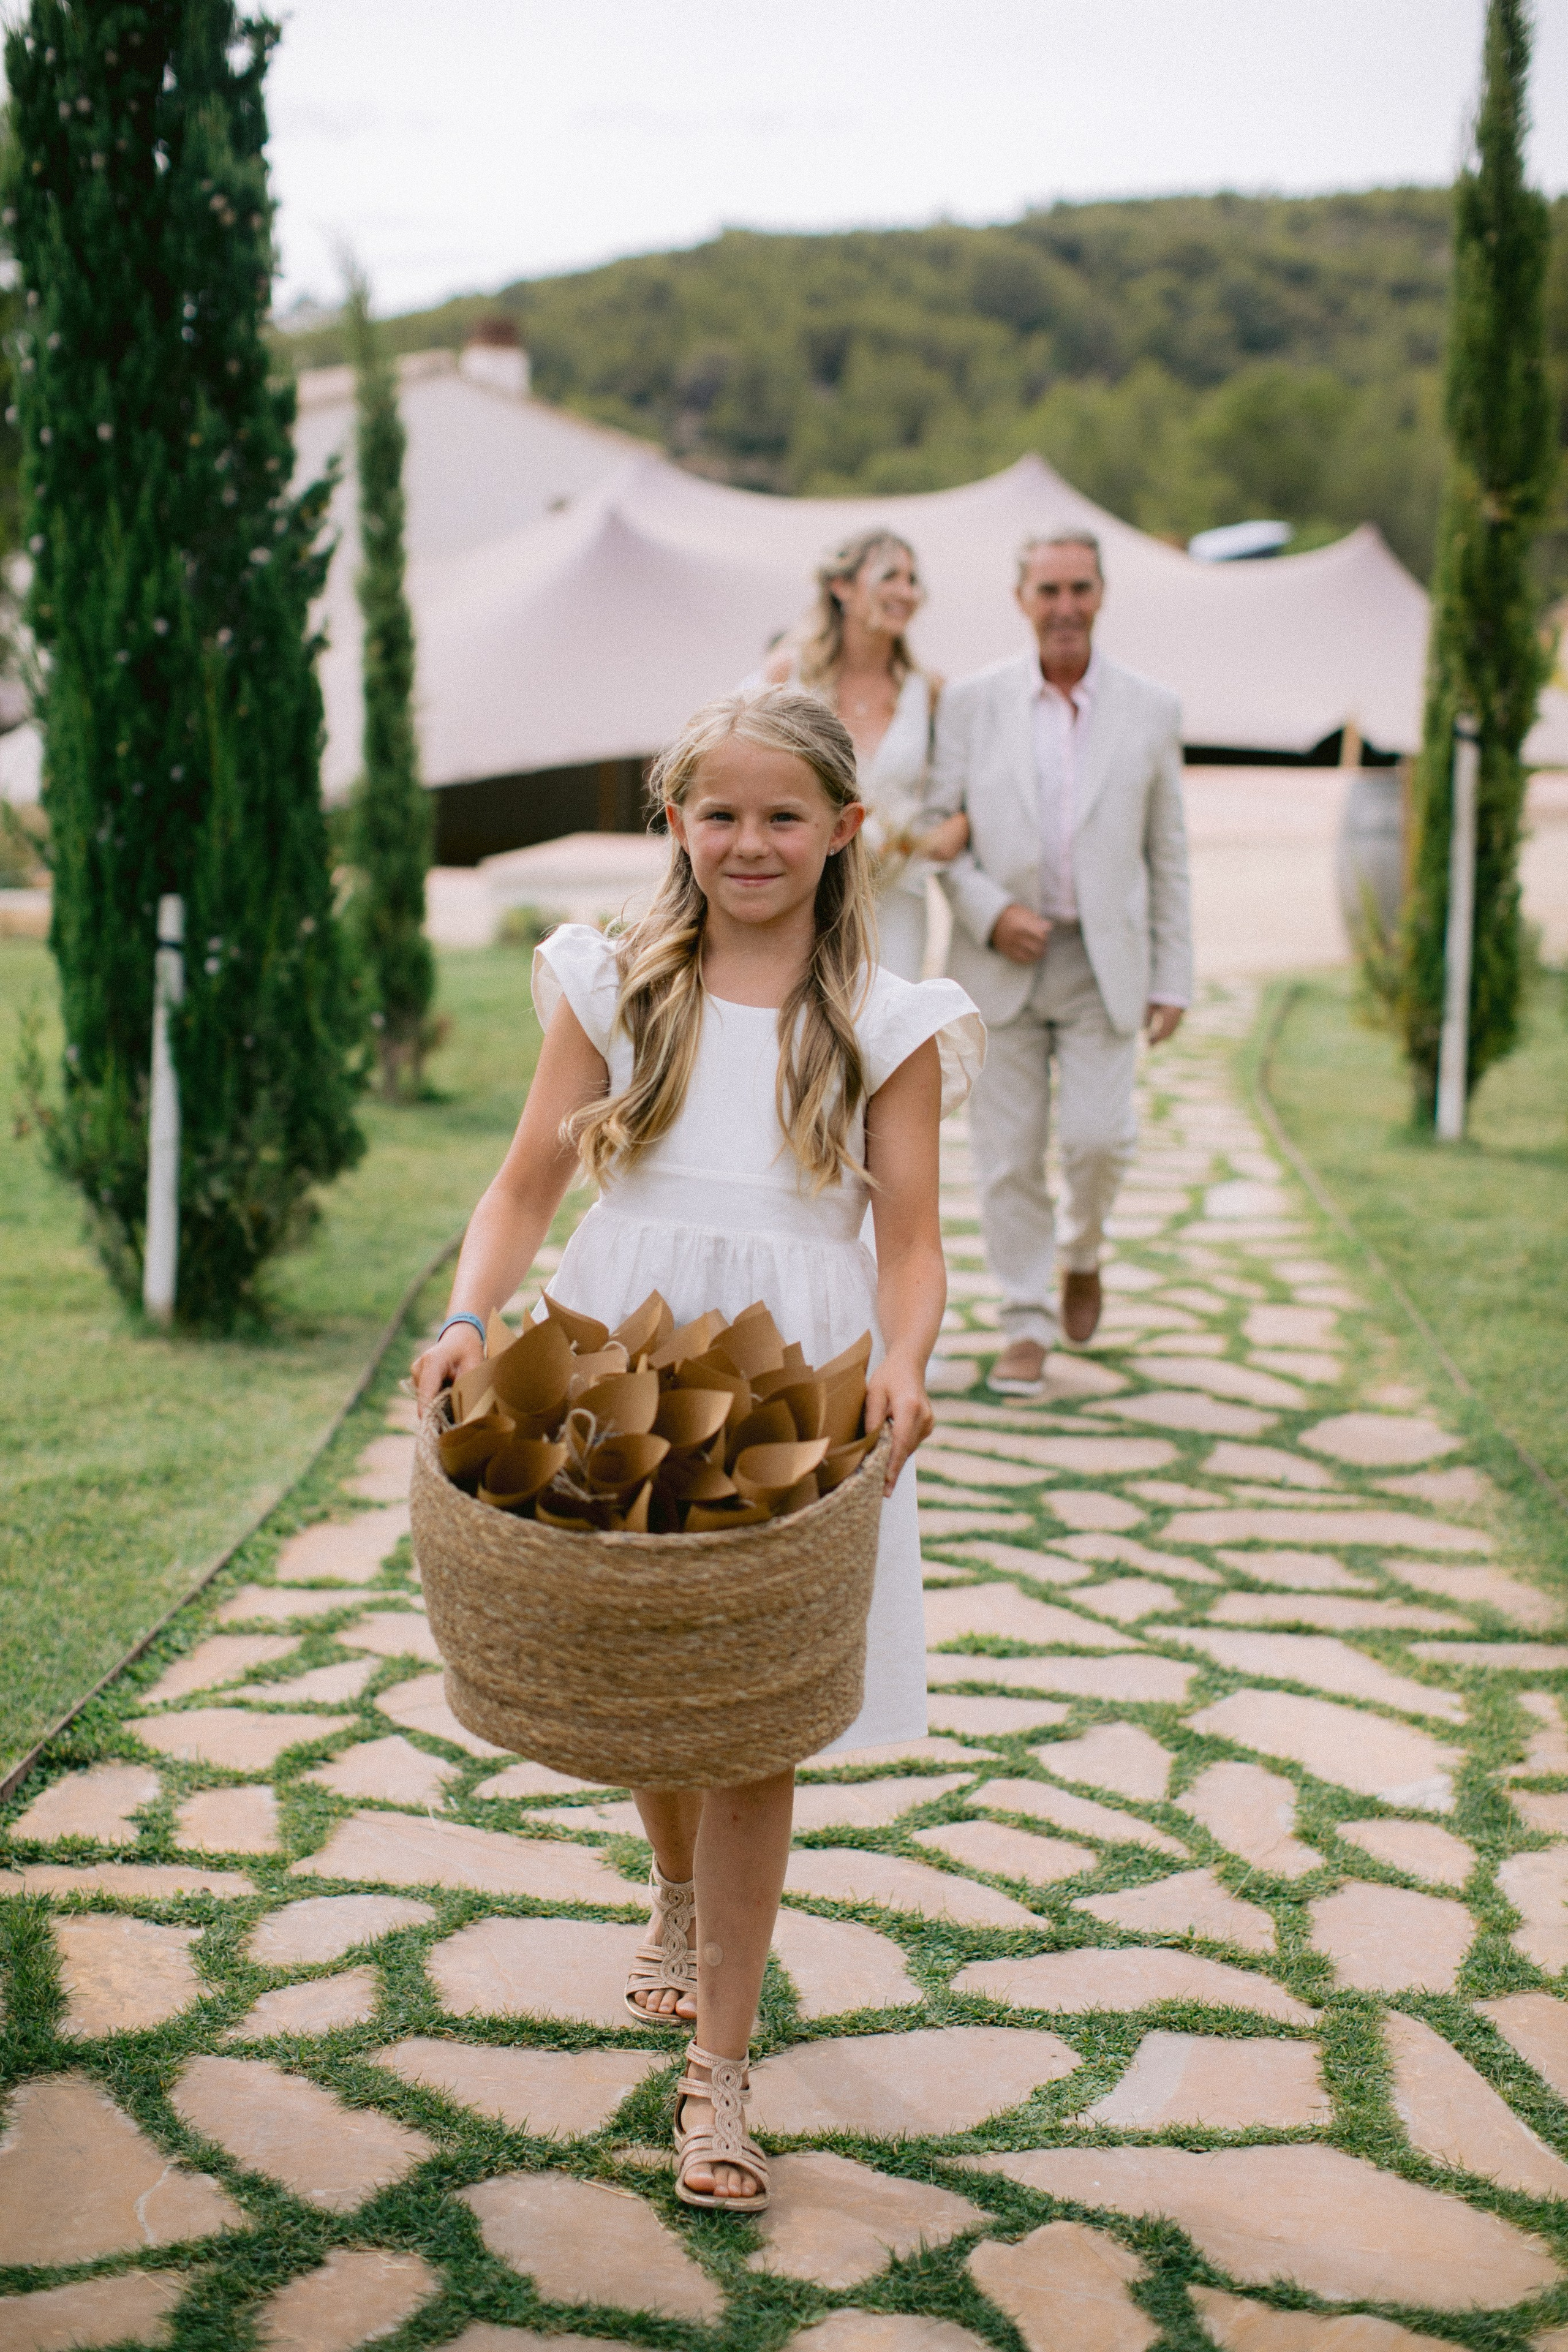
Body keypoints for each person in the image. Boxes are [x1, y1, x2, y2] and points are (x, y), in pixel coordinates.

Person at [413, 687, 982, 2212]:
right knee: (646, 1673)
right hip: (621, 1343)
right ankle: (670, 1887)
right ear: (673, 822)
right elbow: (524, 1188)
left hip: (794, 1379)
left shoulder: (886, 1019)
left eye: (782, 814)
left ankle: (717, 2074)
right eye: (717, 812)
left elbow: (912, 1240)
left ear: (845, 831)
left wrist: (907, 1360)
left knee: (751, 1718)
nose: (748, 842)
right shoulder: (614, 986)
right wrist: (475, 1314)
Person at [923, 530, 1191, 1391]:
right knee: (1007, 1157)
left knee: (1097, 1141)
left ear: (1102, 594)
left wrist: (1173, 975)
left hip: (1103, 964)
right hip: (997, 960)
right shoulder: (970, 703)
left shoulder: (1152, 708)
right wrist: (989, 911)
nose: (1065, 606)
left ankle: (1082, 1252)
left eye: (1080, 588)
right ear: (1022, 599)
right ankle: (1025, 1317)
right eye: (1049, 590)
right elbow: (937, 834)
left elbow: (1169, 851)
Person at [764, 529, 968, 980]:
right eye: (890, 576)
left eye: (912, 580)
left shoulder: (927, 691)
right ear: (842, 587)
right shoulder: (788, 676)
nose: (906, 592)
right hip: (805, 895)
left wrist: (943, 831)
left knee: (890, 1025)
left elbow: (959, 795)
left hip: (896, 900)